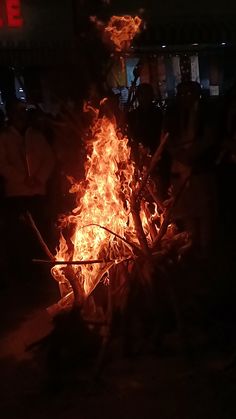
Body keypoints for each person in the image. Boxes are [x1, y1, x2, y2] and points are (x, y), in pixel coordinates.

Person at [0, 99, 55, 283]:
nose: (21, 115)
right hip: (16, 194)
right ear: (10, 115)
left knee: (40, 234)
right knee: (19, 236)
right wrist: (22, 178)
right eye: (17, 112)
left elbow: (49, 158)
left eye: (23, 111)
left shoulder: (36, 136)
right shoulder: (4, 138)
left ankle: (41, 273)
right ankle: (23, 275)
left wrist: (39, 178)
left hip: (37, 193)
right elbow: (3, 164)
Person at [164, 81, 218, 258]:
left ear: (197, 94)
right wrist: (179, 155)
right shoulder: (172, 113)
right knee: (186, 211)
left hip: (200, 170)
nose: (185, 96)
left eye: (189, 93)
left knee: (203, 212)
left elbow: (209, 138)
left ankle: (205, 249)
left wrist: (190, 155)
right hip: (178, 169)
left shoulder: (207, 112)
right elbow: (166, 140)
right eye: (182, 93)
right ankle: (190, 247)